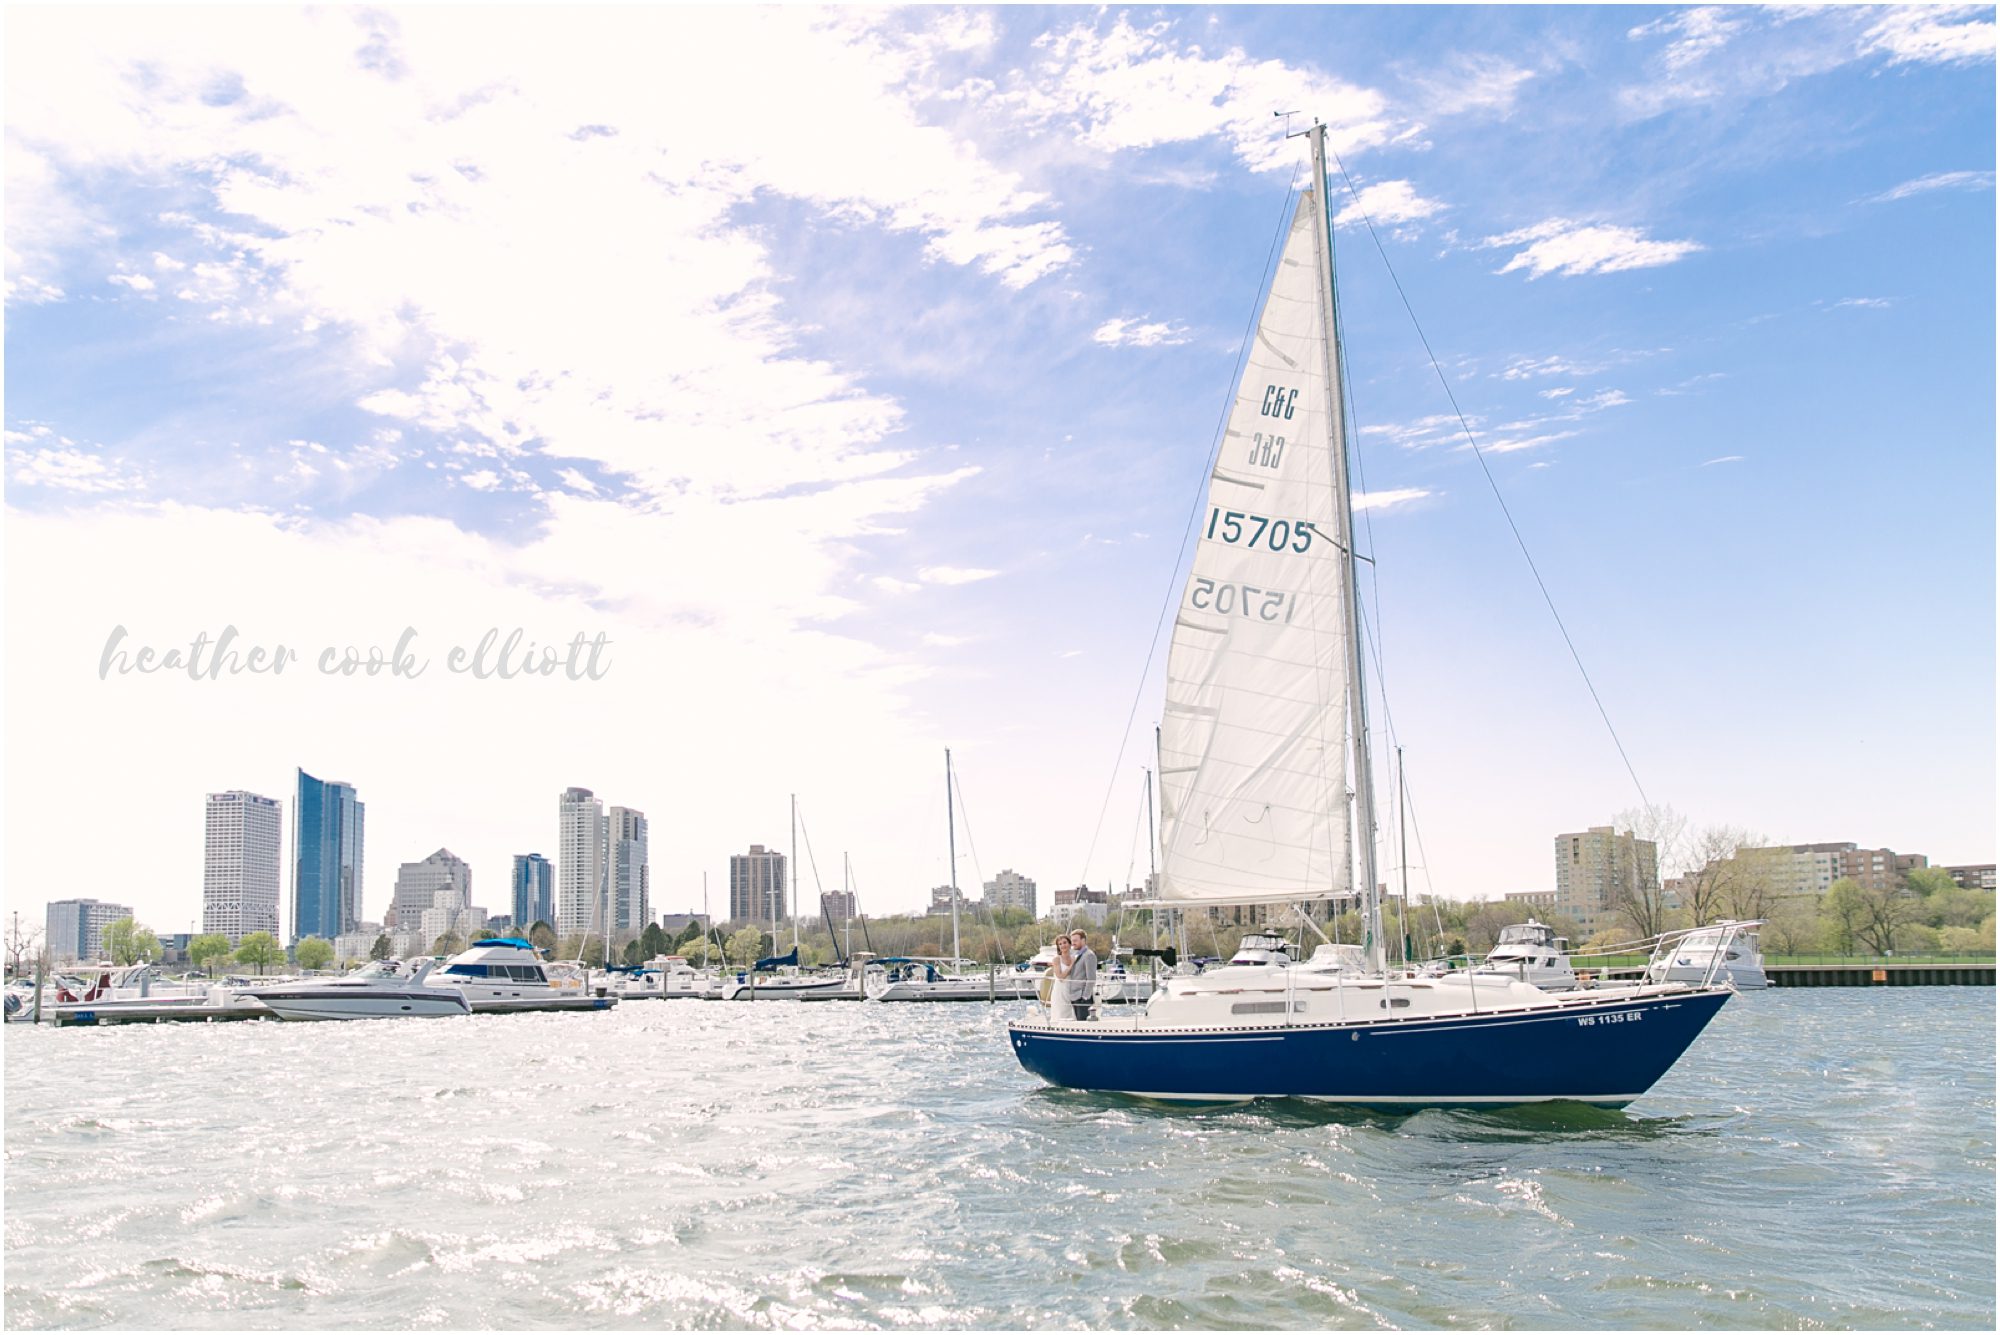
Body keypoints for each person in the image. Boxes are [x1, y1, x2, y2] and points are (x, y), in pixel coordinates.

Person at [1068, 929, 1098, 1019]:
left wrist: (1085, 997)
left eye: (1075, 940)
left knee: (1083, 1025)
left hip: (1082, 998)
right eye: (1072, 941)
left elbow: (1091, 978)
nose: (1073, 943)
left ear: (1083, 940)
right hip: (1074, 996)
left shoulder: (1089, 955)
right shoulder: (1075, 954)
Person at [1047, 936, 1075, 1021]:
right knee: (1060, 1015)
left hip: (1071, 990)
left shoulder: (1074, 957)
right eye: (1060, 944)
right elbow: (1060, 977)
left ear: (1070, 944)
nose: (1063, 945)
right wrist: (1071, 965)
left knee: (1072, 1016)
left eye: (1065, 942)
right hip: (1060, 991)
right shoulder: (1057, 959)